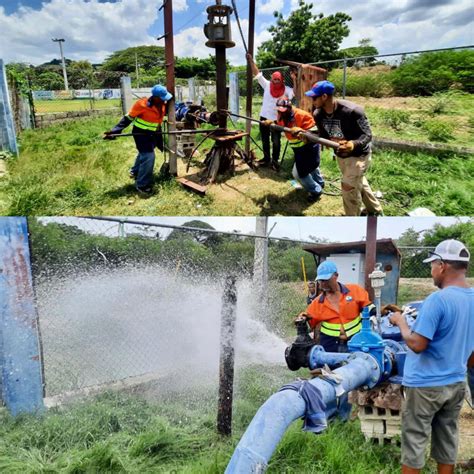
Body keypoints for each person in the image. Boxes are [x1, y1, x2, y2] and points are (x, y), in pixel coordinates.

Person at [389, 239, 474, 474]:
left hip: (426, 385)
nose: (431, 271)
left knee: (415, 441)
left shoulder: (438, 300)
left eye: (433, 265)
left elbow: (417, 344)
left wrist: (401, 323)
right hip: (456, 382)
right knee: (447, 438)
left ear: (443, 266)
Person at [305, 81, 383, 216]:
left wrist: (353, 144)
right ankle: (375, 210)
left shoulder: (352, 111)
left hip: (359, 155)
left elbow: (367, 134)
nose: (312, 101)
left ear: (324, 96)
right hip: (341, 155)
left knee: (348, 186)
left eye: (314, 97)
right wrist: (306, 135)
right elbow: (323, 135)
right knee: (357, 183)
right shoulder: (318, 114)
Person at [104, 84, 172, 195]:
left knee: (143, 154)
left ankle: (134, 171)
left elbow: (171, 109)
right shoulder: (142, 104)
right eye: (162, 98)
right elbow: (128, 118)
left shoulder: (162, 104)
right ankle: (142, 184)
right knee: (149, 156)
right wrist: (115, 131)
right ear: (155, 97)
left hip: (154, 134)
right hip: (141, 134)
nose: (165, 100)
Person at [302, 260, 374, 352]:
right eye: (321, 281)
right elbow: (308, 322)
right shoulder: (317, 303)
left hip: (356, 343)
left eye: (326, 280)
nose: (323, 284)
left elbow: (369, 309)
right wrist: (302, 319)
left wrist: (380, 313)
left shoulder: (355, 291)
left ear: (336, 276)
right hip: (330, 346)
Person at [247, 54, 294, 170]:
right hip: (264, 117)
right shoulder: (267, 85)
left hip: (276, 120)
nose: (276, 81)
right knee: (265, 139)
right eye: (274, 79)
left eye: (278, 79)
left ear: (282, 80)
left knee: (276, 141)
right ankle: (266, 159)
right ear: (272, 79)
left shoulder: (287, 89)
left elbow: (296, 93)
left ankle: (275, 161)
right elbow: (257, 74)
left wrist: (295, 79)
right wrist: (251, 61)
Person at [274, 97, 325, 202]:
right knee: (312, 167)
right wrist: (272, 124)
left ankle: (316, 190)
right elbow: (281, 125)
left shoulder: (301, 115)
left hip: (309, 148)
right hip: (298, 149)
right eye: (279, 110)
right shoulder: (281, 115)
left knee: (299, 174)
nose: (280, 113)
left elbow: (316, 131)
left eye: (283, 111)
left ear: (289, 107)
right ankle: (320, 183)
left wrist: (302, 131)